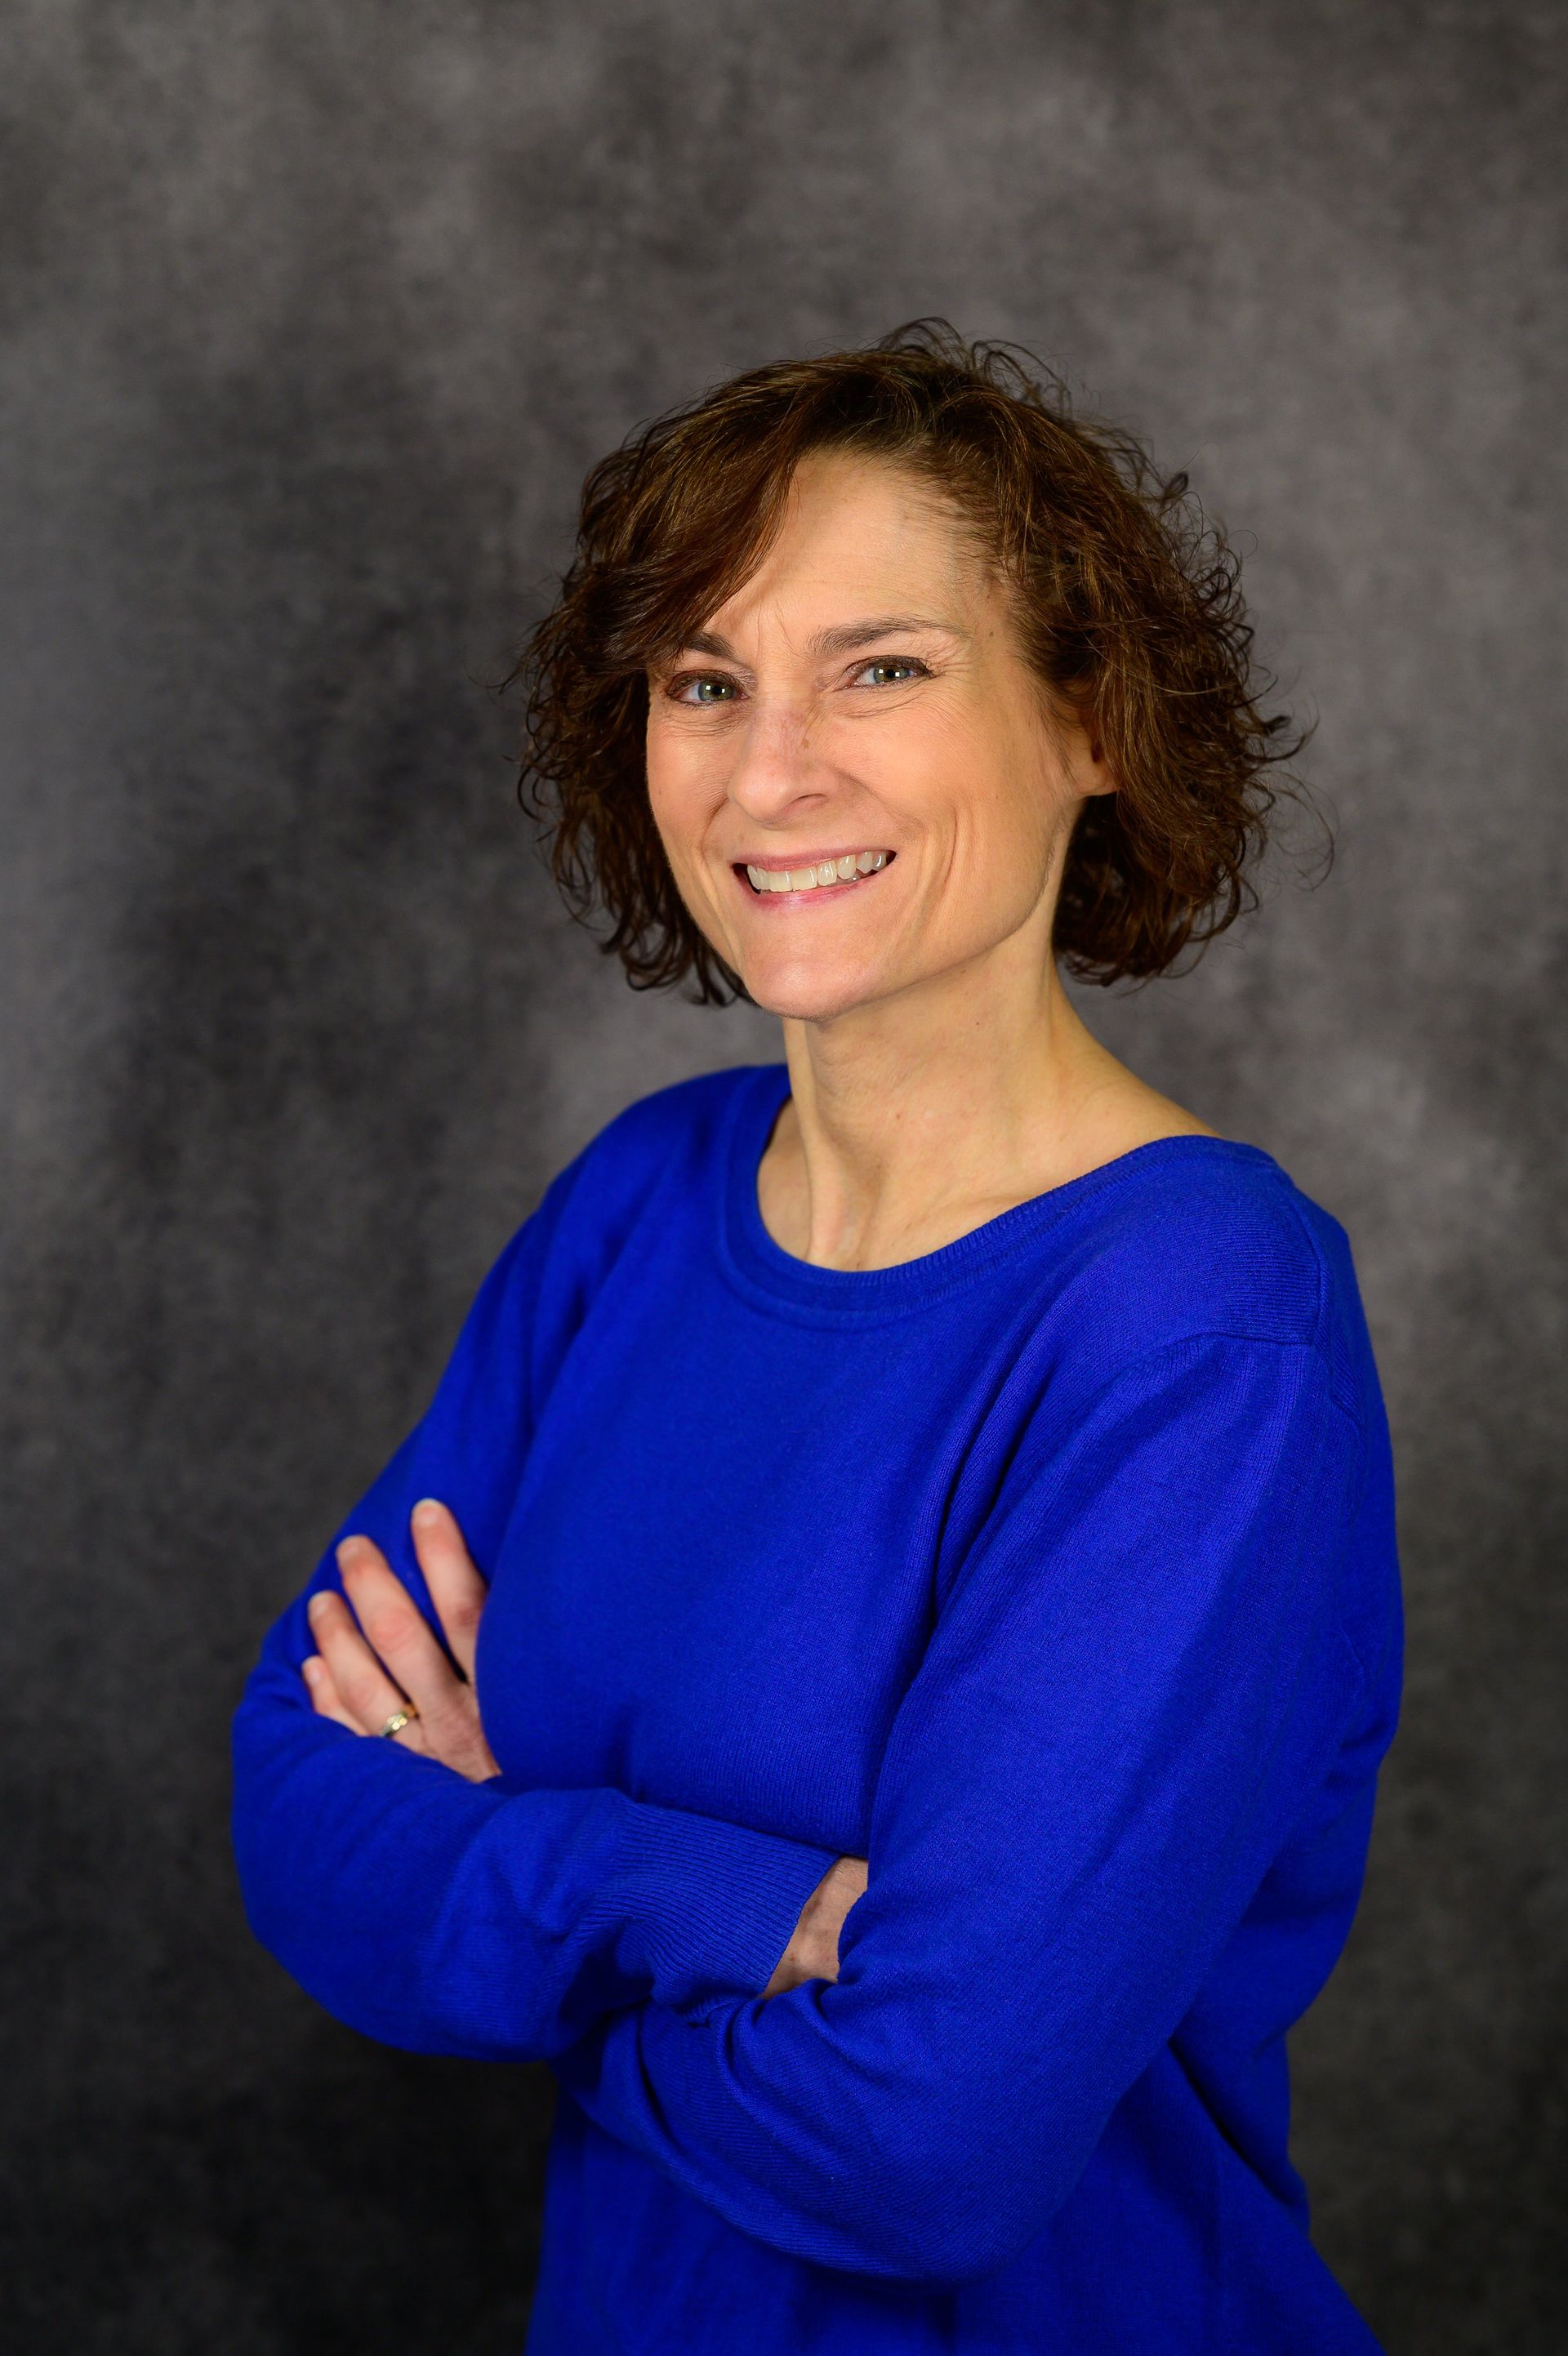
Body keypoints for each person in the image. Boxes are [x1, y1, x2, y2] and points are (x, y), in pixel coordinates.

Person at [232, 323, 1402, 2354]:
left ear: (1092, 717)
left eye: (883, 667)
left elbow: (925, 2144)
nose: (773, 769)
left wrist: (504, 1897)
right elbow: (293, 1803)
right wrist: (710, 1909)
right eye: (707, 681)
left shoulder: (1201, 1335)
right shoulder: (642, 1201)